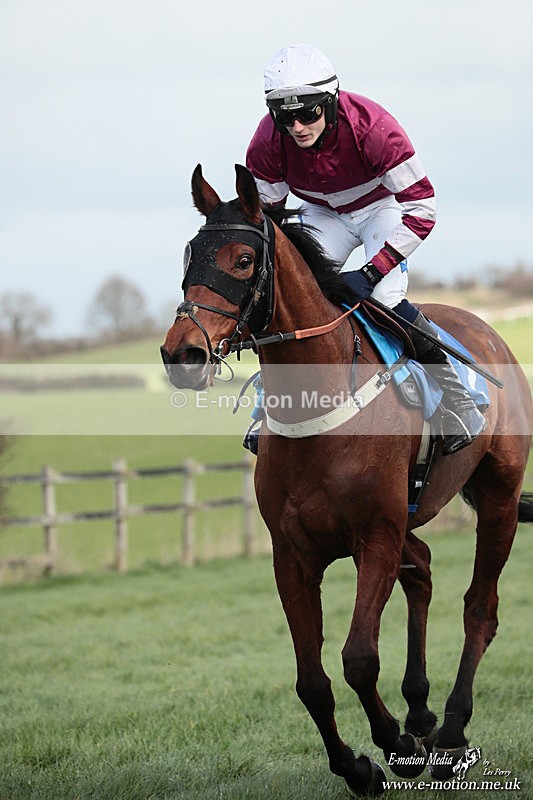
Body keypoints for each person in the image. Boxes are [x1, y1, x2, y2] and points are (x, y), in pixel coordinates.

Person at [244, 43, 486, 456]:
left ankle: (455, 397)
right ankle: (271, 402)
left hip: (382, 208)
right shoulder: (267, 143)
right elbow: (267, 221)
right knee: (290, 294)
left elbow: (423, 208)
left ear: (332, 101)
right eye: (286, 117)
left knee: (385, 297)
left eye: (309, 113)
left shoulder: (375, 129)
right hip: (320, 211)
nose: (298, 127)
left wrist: (372, 271)